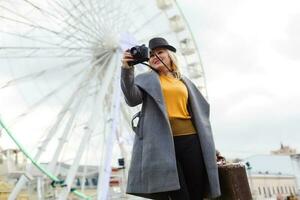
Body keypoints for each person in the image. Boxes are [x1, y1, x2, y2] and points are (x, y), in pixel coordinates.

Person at [121, 37, 221, 200]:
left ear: (170, 56)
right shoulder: (145, 80)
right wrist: (126, 69)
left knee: (196, 191)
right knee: (179, 195)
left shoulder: (184, 81)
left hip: (191, 140)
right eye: (151, 54)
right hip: (161, 144)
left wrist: (211, 148)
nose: (155, 56)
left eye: (160, 52)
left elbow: (201, 115)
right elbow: (132, 99)